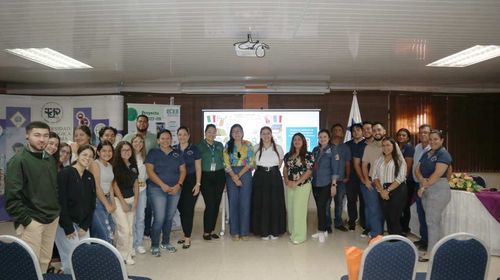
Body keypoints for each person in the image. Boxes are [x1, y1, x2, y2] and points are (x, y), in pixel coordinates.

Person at [5, 121, 61, 272]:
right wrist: (27, 222)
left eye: (45, 135)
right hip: (32, 221)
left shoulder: (49, 159)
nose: (42, 139)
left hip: (51, 218)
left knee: (44, 262)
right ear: (27, 136)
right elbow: (11, 198)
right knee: (29, 264)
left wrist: (57, 211)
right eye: (37, 135)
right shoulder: (18, 161)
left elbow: (53, 188)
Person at [55, 144, 96, 274]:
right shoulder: (65, 173)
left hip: (82, 224)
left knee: (85, 256)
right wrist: (68, 227)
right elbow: (61, 202)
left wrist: (85, 226)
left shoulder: (89, 176)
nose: (87, 158)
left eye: (90, 156)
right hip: (66, 224)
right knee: (71, 258)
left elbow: (91, 204)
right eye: (84, 154)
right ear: (77, 155)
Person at [146, 129, 186, 257]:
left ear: (171, 140)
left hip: (175, 189)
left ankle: (166, 242)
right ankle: (155, 244)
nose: (165, 140)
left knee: (169, 218)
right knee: (159, 218)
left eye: (168, 138)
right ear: (158, 140)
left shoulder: (177, 153)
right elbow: (150, 172)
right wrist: (162, 185)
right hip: (157, 189)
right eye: (162, 138)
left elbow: (183, 171)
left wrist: (178, 185)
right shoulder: (153, 152)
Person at [416, 130, 452, 262]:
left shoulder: (443, 154)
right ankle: (442, 249)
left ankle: (431, 252)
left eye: (436, 139)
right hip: (427, 186)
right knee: (434, 221)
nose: (432, 141)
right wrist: (422, 181)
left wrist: (423, 186)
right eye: (430, 139)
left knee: (432, 222)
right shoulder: (427, 153)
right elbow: (417, 169)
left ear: (442, 140)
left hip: (438, 189)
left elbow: (437, 174)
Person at [123, 114, 158, 238]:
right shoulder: (127, 137)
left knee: (145, 210)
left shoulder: (154, 138)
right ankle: (131, 239)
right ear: (136, 123)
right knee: (131, 214)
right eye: (140, 121)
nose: (142, 123)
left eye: (144, 122)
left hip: (146, 181)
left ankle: (144, 234)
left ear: (148, 124)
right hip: (130, 184)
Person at [251, 126, 286, 240]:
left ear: (271, 135)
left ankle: (275, 231)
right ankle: (263, 231)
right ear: (260, 135)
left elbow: (280, 164)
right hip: (260, 176)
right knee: (261, 202)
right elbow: (253, 163)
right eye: (263, 133)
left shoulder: (278, 148)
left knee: (275, 202)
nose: (266, 136)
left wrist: (270, 170)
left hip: (274, 176)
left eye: (268, 133)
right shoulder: (255, 148)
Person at [223, 124, 255, 241]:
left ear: (242, 133)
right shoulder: (228, 145)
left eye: (239, 131)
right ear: (231, 134)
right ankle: (234, 231)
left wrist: (239, 176)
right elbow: (225, 162)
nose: (236, 133)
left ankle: (244, 232)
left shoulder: (248, 144)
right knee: (233, 202)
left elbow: (251, 162)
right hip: (231, 174)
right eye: (234, 131)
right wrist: (234, 177)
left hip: (245, 173)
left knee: (245, 203)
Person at [173, 126, 202, 249]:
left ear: (188, 136)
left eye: (185, 134)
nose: (182, 137)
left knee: (188, 209)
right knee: (180, 208)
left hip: (191, 181)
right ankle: (185, 233)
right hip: (178, 182)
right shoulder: (173, 149)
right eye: (180, 134)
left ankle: (188, 238)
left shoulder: (194, 149)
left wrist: (198, 184)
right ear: (177, 136)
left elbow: (198, 168)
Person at [283, 133, 314, 244]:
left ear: (303, 141)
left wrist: (297, 182)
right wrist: (286, 180)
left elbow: (309, 171)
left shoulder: (308, 155)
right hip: (290, 185)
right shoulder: (288, 155)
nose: (297, 141)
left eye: (299, 139)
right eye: (294, 139)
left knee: (299, 210)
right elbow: (285, 169)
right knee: (291, 209)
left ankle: (299, 236)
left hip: (303, 185)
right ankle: (292, 231)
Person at [112, 141, 139, 265]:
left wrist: (136, 201)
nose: (126, 152)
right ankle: (123, 255)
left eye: (128, 150)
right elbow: (115, 186)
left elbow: (136, 184)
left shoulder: (133, 164)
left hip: (131, 199)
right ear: (119, 152)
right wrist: (122, 202)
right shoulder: (115, 165)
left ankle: (126, 251)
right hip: (118, 200)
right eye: (123, 150)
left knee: (129, 229)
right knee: (124, 229)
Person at [373, 137, 407, 235]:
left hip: (398, 190)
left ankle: (397, 241)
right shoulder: (378, 160)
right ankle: (391, 239)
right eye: (383, 145)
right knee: (387, 216)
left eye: (388, 145)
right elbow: (375, 177)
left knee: (394, 217)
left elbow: (400, 178)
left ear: (394, 146)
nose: (385, 147)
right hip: (382, 190)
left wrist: (387, 190)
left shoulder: (400, 160)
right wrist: (381, 190)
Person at [197, 124, 226, 241]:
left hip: (219, 175)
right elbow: (197, 164)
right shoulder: (200, 146)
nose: (212, 134)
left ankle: (212, 230)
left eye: (214, 132)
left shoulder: (219, 145)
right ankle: (206, 231)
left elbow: (224, 161)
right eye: (209, 132)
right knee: (210, 204)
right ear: (205, 133)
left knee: (216, 203)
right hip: (206, 176)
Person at [311, 129, 340, 243]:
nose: (322, 139)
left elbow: (335, 168)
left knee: (322, 206)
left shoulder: (333, 149)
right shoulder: (315, 150)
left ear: (328, 138)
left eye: (324, 137)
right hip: (315, 183)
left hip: (327, 183)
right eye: (320, 137)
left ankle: (322, 230)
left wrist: (334, 185)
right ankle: (323, 230)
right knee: (319, 206)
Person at [361, 122, 386, 238]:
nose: (376, 132)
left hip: (388, 183)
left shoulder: (392, 145)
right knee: (373, 209)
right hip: (372, 182)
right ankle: (377, 235)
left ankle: (381, 232)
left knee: (384, 209)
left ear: (384, 131)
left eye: (379, 130)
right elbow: (364, 165)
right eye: (374, 130)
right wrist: (366, 180)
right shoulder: (368, 147)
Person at [89, 140, 116, 244]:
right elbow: (97, 186)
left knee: (111, 228)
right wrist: (107, 205)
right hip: (97, 201)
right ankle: (106, 257)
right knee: (105, 231)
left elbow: (110, 185)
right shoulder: (95, 164)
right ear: (98, 152)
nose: (107, 153)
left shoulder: (110, 165)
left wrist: (112, 203)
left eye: (110, 151)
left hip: (107, 198)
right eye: (104, 151)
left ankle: (103, 256)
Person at [327, 123, 351, 232]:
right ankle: (327, 224)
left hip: (341, 180)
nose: (337, 131)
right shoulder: (326, 146)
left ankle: (338, 223)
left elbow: (347, 163)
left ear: (342, 133)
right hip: (327, 180)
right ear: (331, 133)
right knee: (327, 203)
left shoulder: (345, 147)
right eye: (335, 130)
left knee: (339, 203)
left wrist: (347, 176)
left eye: (339, 130)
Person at [412, 124, 431, 250]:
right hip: (416, 184)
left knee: (428, 215)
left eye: (426, 132)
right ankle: (423, 239)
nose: (423, 134)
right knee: (420, 214)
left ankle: (429, 242)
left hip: (428, 186)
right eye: (421, 133)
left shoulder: (433, 148)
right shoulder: (417, 147)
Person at [345, 123, 366, 231]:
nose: (356, 132)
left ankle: (364, 221)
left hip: (364, 176)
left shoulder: (367, 144)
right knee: (351, 200)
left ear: (362, 131)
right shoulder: (347, 144)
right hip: (351, 178)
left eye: (358, 130)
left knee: (364, 200)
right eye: (354, 130)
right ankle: (352, 221)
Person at [396, 128, 415, 236]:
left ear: (408, 137)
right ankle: (400, 226)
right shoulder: (398, 147)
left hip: (406, 181)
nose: (401, 137)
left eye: (404, 135)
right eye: (399, 135)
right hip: (398, 180)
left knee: (404, 206)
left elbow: (408, 165)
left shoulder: (408, 148)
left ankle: (404, 228)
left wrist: (403, 179)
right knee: (399, 205)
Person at [131, 134, 148, 254]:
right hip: (130, 192)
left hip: (142, 191)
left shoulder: (145, 158)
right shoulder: (127, 157)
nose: (138, 144)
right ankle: (131, 244)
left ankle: (139, 243)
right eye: (136, 142)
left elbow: (148, 175)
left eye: (141, 142)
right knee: (131, 218)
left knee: (140, 218)